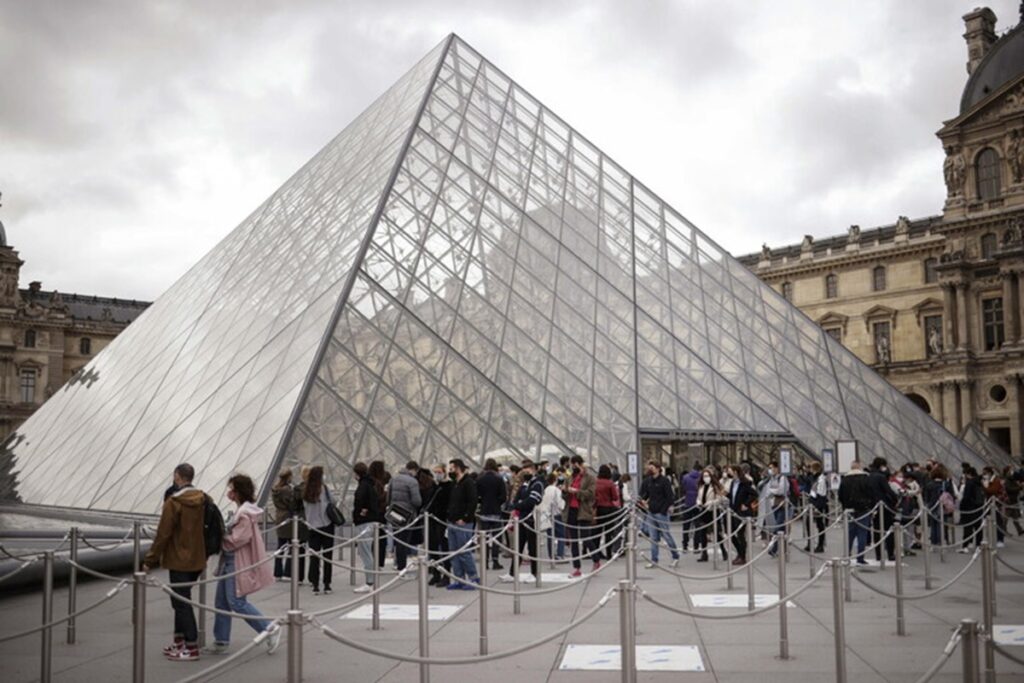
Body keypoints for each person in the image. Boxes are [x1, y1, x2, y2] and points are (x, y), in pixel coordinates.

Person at [204, 474, 281, 655]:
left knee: (236, 602)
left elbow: (240, 538)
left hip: (236, 561)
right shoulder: (244, 510)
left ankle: (269, 628)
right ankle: (221, 640)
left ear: (238, 492)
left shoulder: (244, 513)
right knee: (221, 602)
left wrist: (220, 539)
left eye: (231, 489)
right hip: (230, 561)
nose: (228, 493)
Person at [143, 463, 208, 662]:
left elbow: (163, 534)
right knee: (181, 600)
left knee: (181, 602)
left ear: (177, 477)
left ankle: (191, 646)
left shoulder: (173, 502)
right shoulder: (204, 498)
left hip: (179, 559)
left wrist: (150, 560)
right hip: (197, 558)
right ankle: (179, 642)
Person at [504, 460, 545, 582]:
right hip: (522, 518)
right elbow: (517, 500)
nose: (525, 473)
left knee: (533, 548)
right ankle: (512, 573)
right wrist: (519, 504)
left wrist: (519, 504)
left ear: (533, 470)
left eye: (527, 470)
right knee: (518, 547)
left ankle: (534, 573)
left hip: (531, 519)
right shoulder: (526, 483)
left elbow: (532, 501)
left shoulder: (538, 483)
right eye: (524, 471)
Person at [563, 454, 601, 577]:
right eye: (571, 464)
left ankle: (596, 559)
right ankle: (577, 567)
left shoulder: (589, 478)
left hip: (583, 510)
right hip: (571, 510)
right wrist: (565, 491)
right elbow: (565, 495)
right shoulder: (569, 478)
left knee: (586, 537)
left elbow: (591, 494)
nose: (573, 466)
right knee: (574, 540)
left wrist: (577, 492)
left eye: (575, 464)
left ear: (580, 464)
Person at [446, 458, 480, 590]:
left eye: (452, 468)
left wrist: (465, 518)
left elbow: (472, 502)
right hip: (452, 521)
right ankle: (459, 578)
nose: (450, 471)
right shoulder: (455, 483)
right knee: (453, 552)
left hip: (463, 523)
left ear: (458, 468)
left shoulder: (468, 482)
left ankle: (473, 578)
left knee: (464, 552)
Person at [351, 461, 385, 593]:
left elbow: (359, 501)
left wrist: (359, 512)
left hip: (364, 522)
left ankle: (369, 582)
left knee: (366, 553)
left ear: (357, 473)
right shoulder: (371, 484)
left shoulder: (363, 486)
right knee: (368, 551)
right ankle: (371, 581)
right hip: (372, 521)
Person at [302, 466, 336, 595]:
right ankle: (327, 585)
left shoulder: (306, 490)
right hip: (326, 525)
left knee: (314, 557)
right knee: (327, 557)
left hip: (312, 527)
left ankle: (315, 585)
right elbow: (333, 501)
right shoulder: (324, 489)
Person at [641, 460, 680, 569]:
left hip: (661, 513)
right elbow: (646, 494)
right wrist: (644, 501)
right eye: (649, 468)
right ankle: (654, 559)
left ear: (658, 468)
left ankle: (675, 556)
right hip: (651, 512)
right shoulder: (648, 481)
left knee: (666, 535)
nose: (650, 469)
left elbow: (670, 497)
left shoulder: (664, 481)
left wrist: (664, 510)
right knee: (653, 537)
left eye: (652, 467)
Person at [838, 461, 875, 565]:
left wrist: (845, 505)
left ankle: (847, 554)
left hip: (849, 509)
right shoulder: (866, 478)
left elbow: (840, 495)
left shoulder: (845, 479)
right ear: (860, 467)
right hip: (864, 508)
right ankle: (860, 557)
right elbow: (871, 493)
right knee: (862, 532)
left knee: (850, 532)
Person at [389, 461, 422, 573]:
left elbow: (388, 497)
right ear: (414, 470)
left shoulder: (394, 479)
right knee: (404, 540)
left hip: (394, 513)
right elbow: (417, 501)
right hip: (407, 514)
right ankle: (401, 566)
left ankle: (399, 564)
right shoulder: (413, 481)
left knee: (398, 540)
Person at [476, 458, 507, 571]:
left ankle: (485, 562)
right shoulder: (499, 479)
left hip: (484, 511)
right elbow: (503, 497)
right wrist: (497, 503)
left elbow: (477, 496)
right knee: (496, 537)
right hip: (496, 512)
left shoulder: (480, 479)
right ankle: (495, 561)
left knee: (484, 538)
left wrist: (483, 502)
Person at [693, 467, 728, 562]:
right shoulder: (701, 486)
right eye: (704, 476)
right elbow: (699, 497)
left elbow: (720, 498)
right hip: (703, 511)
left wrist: (711, 503)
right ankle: (704, 554)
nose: (706, 478)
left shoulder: (715, 486)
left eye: (707, 476)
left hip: (712, 511)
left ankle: (724, 551)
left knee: (717, 533)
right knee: (702, 533)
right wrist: (699, 502)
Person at [867, 457, 898, 562]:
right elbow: (888, 491)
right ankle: (890, 554)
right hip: (885, 506)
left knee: (876, 531)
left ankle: (878, 555)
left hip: (874, 506)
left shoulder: (869, 476)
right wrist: (895, 499)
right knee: (889, 531)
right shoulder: (881, 477)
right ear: (882, 466)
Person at [726, 464, 758, 564]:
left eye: (730, 470)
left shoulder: (745, 483)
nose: (728, 473)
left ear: (735, 471)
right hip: (733, 511)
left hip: (742, 512)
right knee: (730, 533)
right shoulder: (732, 483)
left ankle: (742, 556)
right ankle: (739, 552)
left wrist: (746, 504)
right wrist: (726, 494)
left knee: (740, 534)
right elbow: (733, 497)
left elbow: (754, 494)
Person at [426, 464, 452, 586]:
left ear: (444, 472)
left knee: (444, 548)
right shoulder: (434, 486)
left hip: (443, 520)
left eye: (439, 472)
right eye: (435, 472)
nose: (437, 474)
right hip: (432, 520)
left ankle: (446, 574)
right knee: (433, 548)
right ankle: (436, 573)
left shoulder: (449, 487)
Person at [271, 469, 298, 581]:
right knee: (292, 546)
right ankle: (287, 572)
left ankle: (277, 572)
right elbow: (292, 503)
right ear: (288, 477)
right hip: (288, 518)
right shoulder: (287, 490)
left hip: (279, 517)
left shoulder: (276, 489)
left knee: (280, 545)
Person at [594, 464, 622, 560]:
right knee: (608, 532)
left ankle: (596, 553)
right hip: (608, 509)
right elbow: (615, 497)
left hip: (597, 509)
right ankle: (609, 554)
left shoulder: (595, 482)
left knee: (597, 532)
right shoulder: (610, 483)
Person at [763, 462, 788, 557]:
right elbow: (768, 490)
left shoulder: (782, 478)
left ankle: (774, 548)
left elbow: (781, 490)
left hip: (782, 504)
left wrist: (773, 491)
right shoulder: (772, 478)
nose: (770, 470)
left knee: (779, 526)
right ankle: (781, 548)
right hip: (774, 504)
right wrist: (773, 491)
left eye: (772, 467)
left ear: (777, 468)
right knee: (780, 527)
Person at [958, 465, 985, 552]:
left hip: (969, 508)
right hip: (979, 507)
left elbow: (966, 497)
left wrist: (962, 506)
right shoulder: (979, 482)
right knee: (978, 527)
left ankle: (965, 546)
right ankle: (978, 545)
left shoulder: (969, 483)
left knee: (968, 528)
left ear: (968, 474)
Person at [539, 472, 565, 561]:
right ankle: (559, 554)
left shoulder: (545, 490)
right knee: (561, 535)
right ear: (555, 480)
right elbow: (560, 503)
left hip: (547, 514)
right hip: (556, 514)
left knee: (550, 535)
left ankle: (551, 554)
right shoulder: (556, 490)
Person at [679, 463, 701, 554]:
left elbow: (682, 489)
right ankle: (696, 547)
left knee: (686, 526)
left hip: (687, 502)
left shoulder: (685, 477)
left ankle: (685, 545)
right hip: (698, 503)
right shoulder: (701, 477)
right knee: (698, 526)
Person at [807, 462, 828, 554]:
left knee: (819, 524)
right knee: (809, 523)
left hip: (817, 503)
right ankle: (810, 542)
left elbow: (821, 493)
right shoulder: (815, 478)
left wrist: (816, 504)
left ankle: (820, 544)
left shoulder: (821, 479)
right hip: (813, 502)